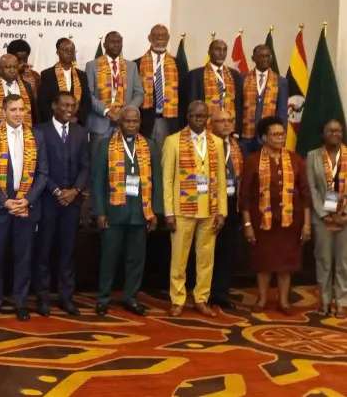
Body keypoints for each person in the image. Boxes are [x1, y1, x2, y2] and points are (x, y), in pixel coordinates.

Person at [0, 94, 48, 321]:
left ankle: (21, 302)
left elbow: (43, 173)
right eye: (13, 110)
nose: (18, 114)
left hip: (26, 207)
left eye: (21, 109)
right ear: (3, 111)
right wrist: (5, 201)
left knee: (23, 258)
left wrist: (27, 200)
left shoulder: (37, 136)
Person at [93, 106, 162, 316]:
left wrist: (155, 212)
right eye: (127, 121)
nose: (131, 125)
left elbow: (157, 180)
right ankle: (103, 298)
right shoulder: (105, 144)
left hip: (140, 212)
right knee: (109, 258)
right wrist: (100, 212)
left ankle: (130, 297)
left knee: (136, 260)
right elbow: (98, 181)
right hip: (113, 212)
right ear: (120, 122)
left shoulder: (150, 145)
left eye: (135, 121)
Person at [162, 101, 227, 317]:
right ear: (188, 117)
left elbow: (221, 179)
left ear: (208, 118)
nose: (199, 120)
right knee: (179, 258)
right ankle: (177, 299)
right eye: (195, 116)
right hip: (182, 209)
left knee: (206, 258)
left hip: (209, 208)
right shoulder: (173, 141)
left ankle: (201, 298)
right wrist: (169, 212)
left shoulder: (217, 142)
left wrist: (222, 211)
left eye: (203, 116)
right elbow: (167, 180)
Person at [242, 116, 311, 314]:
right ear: (264, 137)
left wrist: (306, 224)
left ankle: (284, 301)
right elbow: (245, 196)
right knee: (263, 263)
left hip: (290, 222)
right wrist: (247, 225)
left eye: (282, 134)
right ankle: (262, 299)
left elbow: (305, 195)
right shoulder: (253, 161)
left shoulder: (296, 160)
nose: (280, 138)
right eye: (275, 134)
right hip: (262, 222)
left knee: (285, 265)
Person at [34, 91, 90, 316]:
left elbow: (85, 166)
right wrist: (57, 191)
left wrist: (75, 191)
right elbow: (38, 167)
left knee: (68, 251)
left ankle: (66, 297)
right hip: (48, 200)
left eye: (72, 105)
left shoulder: (81, 132)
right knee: (44, 250)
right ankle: (43, 298)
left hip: (72, 203)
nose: (69, 109)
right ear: (54, 106)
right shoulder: (40, 131)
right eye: (65, 105)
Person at [307, 119, 347, 317]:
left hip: (345, 219)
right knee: (323, 260)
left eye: (338, 130)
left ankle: (342, 301)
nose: (334, 134)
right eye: (330, 131)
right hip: (322, 218)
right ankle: (324, 300)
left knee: (344, 262)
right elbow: (312, 188)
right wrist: (324, 214)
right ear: (323, 134)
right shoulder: (312, 156)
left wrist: (344, 216)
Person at [209, 109, 244, 309]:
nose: (226, 124)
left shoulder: (237, 146)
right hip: (211, 203)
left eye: (230, 120)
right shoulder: (206, 144)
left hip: (232, 202)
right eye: (221, 121)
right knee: (208, 249)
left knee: (227, 249)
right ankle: (204, 291)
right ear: (211, 124)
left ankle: (221, 292)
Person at [85, 31, 144, 145]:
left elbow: (139, 93)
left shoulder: (131, 66)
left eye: (119, 42)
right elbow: (88, 94)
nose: (116, 45)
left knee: (122, 156)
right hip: (100, 124)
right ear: (104, 45)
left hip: (124, 123)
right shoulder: (92, 65)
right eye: (112, 42)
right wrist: (106, 111)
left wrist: (125, 112)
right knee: (98, 155)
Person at [135, 24, 181, 143]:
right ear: (149, 38)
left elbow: (183, 94)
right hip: (144, 122)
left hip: (170, 121)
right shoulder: (136, 64)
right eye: (156, 35)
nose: (160, 38)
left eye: (163, 35)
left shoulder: (179, 64)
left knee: (165, 154)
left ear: (168, 38)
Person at [240, 45, 289, 154]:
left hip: (268, 136)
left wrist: (281, 135)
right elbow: (238, 107)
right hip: (246, 136)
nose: (265, 59)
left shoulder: (281, 81)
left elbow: (282, 111)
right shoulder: (243, 78)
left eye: (267, 56)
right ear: (253, 58)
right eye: (261, 56)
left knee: (266, 164)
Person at [186, 39, 243, 131]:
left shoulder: (234, 75)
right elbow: (192, 104)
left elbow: (239, 104)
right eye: (217, 49)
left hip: (229, 126)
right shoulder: (196, 75)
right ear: (209, 52)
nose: (221, 53)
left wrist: (237, 130)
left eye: (224, 50)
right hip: (205, 127)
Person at [37, 38, 90, 125]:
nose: (69, 53)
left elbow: (86, 101)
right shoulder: (47, 74)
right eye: (66, 50)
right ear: (57, 52)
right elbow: (43, 103)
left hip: (76, 123)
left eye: (72, 50)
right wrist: (57, 120)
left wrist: (78, 118)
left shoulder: (82, 75)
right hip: (54, 124)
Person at [0, 54, 37, 130]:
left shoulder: (26, 86)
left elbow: (34, 114)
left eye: (15, 67)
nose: (12, 70)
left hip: (23, 132)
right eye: (8, 67)